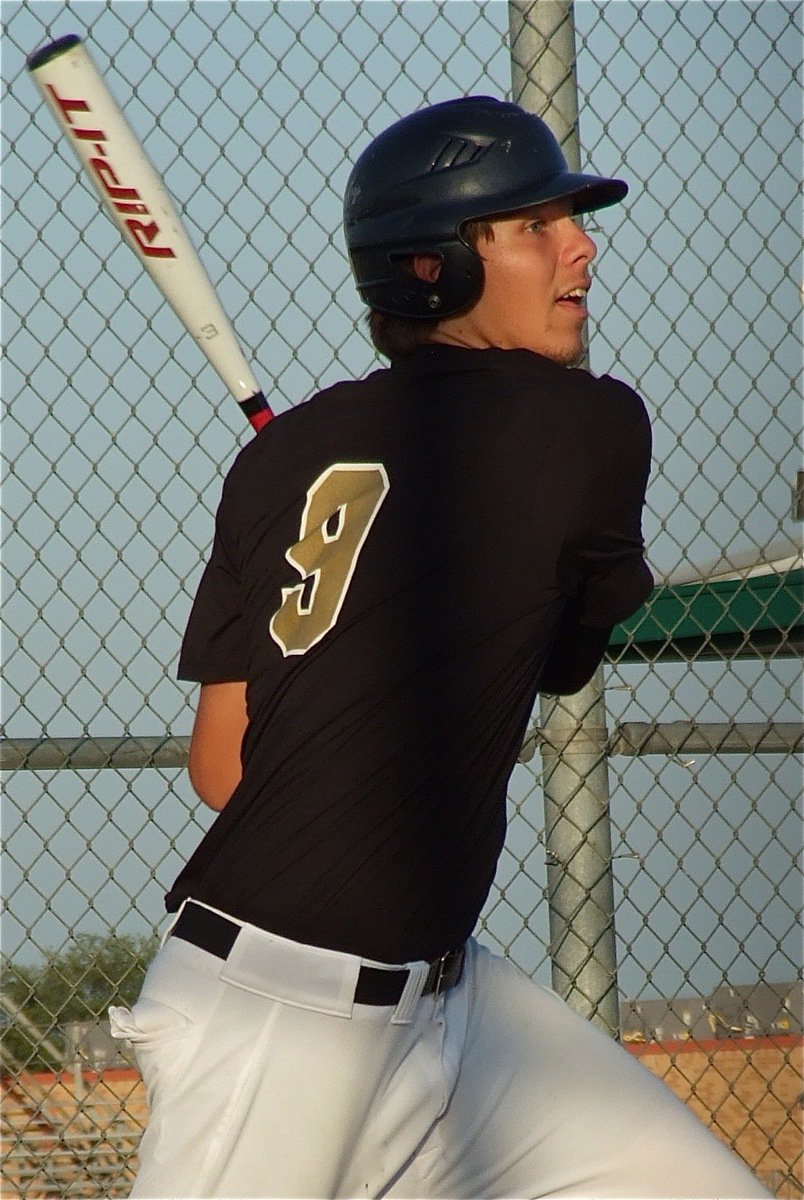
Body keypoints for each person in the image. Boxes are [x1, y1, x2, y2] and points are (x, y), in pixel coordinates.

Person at [111, 96, 769, 1199]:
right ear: (435, 268)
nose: (581, 245)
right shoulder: (589, 423)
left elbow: (223, 766)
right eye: (532, 226)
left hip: (446, 1008)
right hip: (280, 1023)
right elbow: (563, 657)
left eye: (569, 218)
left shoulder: (285, 459)